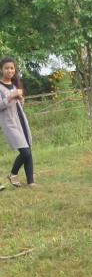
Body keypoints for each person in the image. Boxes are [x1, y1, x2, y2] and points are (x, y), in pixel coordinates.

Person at [0, 56, 35, 189]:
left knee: (28, 150)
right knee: (25, 151)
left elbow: (18, 105)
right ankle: (13, 174)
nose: (10, 71)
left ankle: (31, 181)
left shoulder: (15, 85)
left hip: (21, 121)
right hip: (10, 123)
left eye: (12, 68)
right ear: (1, 70)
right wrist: (10, 96)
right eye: (6, 68)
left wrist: (20, 99)